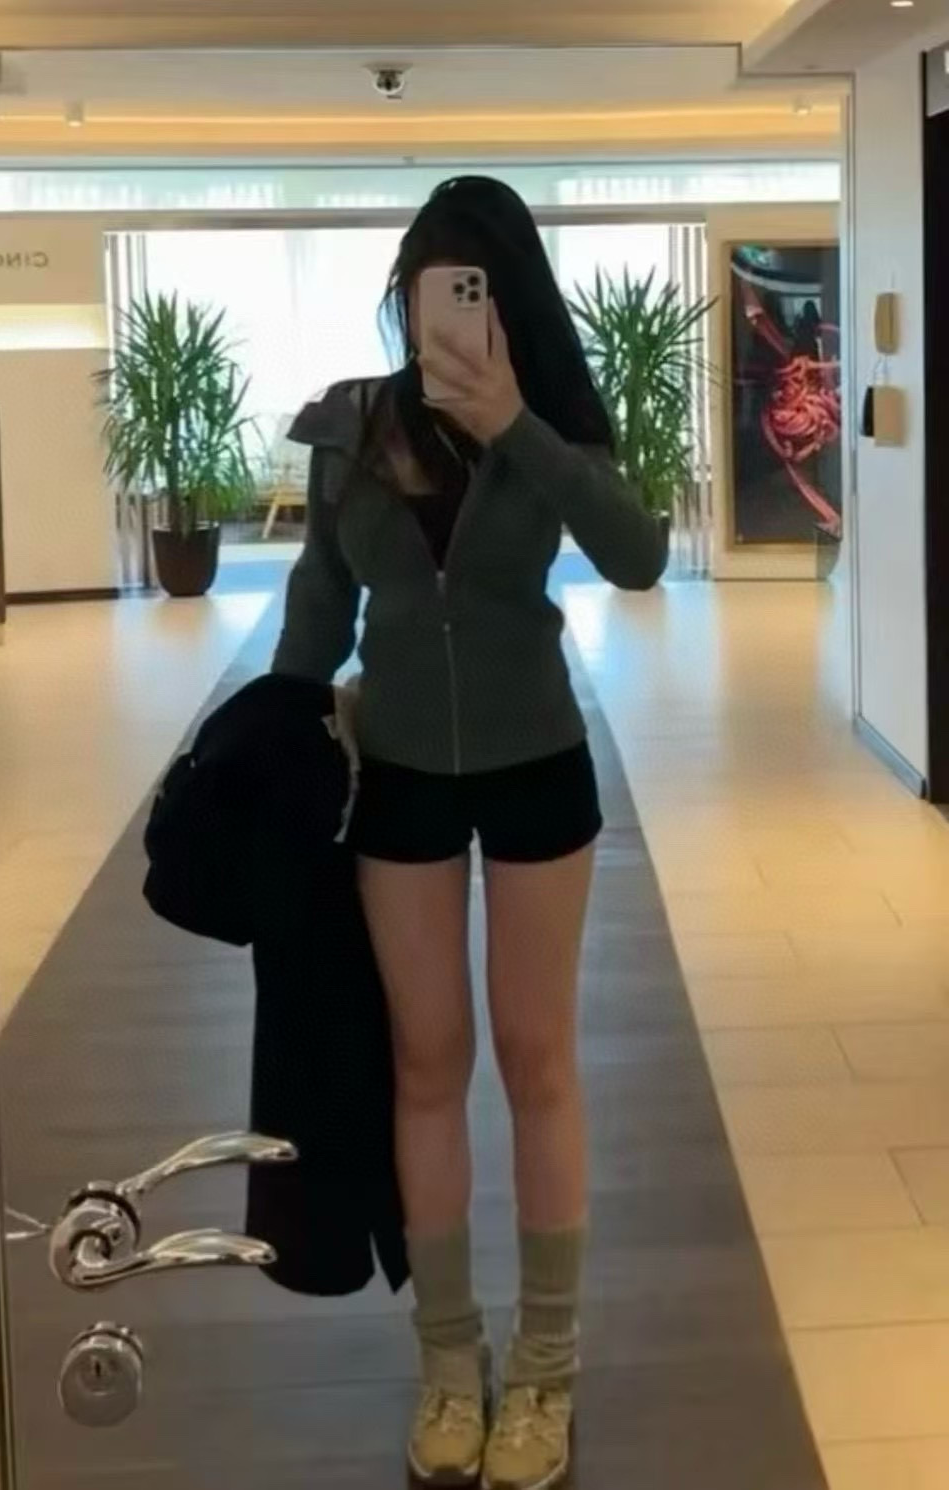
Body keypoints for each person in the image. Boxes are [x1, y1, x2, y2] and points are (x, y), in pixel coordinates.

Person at [272, 175, 666, 1490]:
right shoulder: (353, 425)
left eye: (471, 290)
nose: (445, 315)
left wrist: (515, 426)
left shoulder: (550, 422)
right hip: (400, 776)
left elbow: (637, 555)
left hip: (538, 762)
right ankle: (452, 1364)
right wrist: (277, 726)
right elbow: (319, 602)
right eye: (428, 290)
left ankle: (544, 1372)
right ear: (404, 298)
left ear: (507, 302)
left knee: (539, 1058)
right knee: (427, 1061)